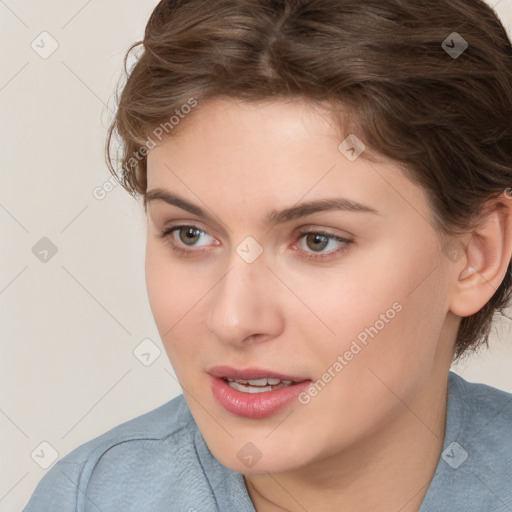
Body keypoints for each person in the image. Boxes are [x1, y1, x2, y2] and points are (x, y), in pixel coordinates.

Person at [22, 0, 512, 510]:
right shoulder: (88, 499)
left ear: (477, 254)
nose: (233, 319)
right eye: (189, 234)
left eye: (317, 240)